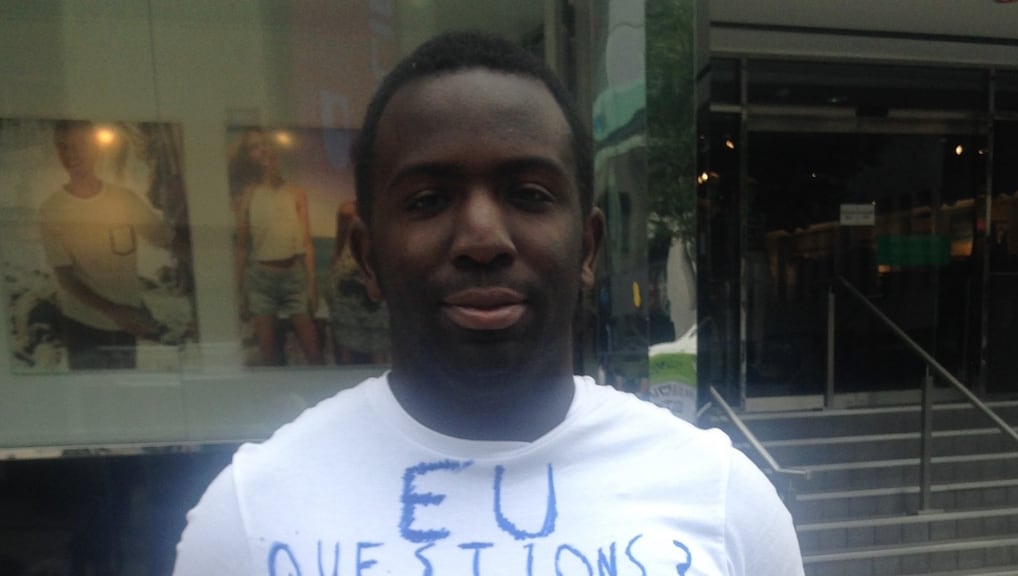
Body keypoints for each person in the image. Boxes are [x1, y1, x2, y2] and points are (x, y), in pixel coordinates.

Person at [174, 31, 803, 575]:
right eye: (427, 199)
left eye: (528, 193)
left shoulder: (723, 503)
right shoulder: (249, 519)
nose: (482, 239)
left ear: (587, 248)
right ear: (367, 256)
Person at [38, 120, 170, 370]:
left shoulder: (126, 200)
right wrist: (118, 313)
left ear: (97, 149)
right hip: (82, 326)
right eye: (63, 147)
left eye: (80, 146)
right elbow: (65, 279)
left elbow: (163, 238)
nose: (71, 155)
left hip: (125, 326)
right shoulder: (51, 210)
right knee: (91, 401)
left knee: (124, 398)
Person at [230, 128, 324, 366]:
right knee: (269, 356)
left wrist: (312, 288)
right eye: (254, 147)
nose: (262, 150)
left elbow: (307, 244)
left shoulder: (295, 192)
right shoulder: (247, 197)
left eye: (265, 144)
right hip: (261, 281)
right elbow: (241, 248)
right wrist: (240, 292)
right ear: (248, 156)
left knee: (314, 353)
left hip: (294, 277)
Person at [325, 199, 390, 364]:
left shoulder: (384, 210)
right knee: (347, 344)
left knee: (378, 342)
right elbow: (340, 245)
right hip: (346, 282)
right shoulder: (348, 211)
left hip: (372, 277)